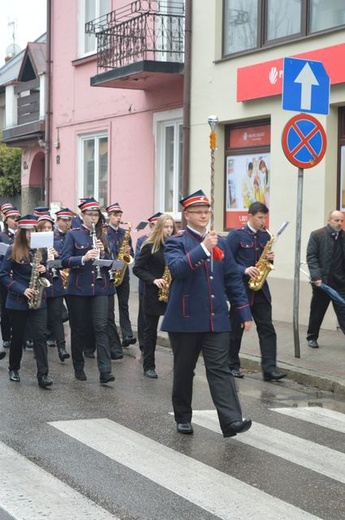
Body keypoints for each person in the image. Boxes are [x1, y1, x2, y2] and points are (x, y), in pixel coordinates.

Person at [161, 189, 253, 438]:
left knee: (220, 368)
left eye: (206, 211)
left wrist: (244, 313)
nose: (203, 216)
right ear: (187, 215)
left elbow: (233, 278)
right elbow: (178, 269)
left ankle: (231, 421)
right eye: (197, 212)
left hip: (216, 318)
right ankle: (183, 416)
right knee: (184, 370)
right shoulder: (176, 241)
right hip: (185, 318)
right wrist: (202, 248)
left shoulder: (220, 242)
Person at [226, 201, 287, 382]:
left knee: (267, 328)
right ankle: (232, 365)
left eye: (265, 218)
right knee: (235, 328)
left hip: (260, 289)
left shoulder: (265, 237)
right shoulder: (236, 236)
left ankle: (269, 369)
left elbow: (266, 263)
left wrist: (270, 260)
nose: (263, 221)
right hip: (241, 289)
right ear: (250, 216)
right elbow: (226, 262)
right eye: (260, 217)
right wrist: (243, 269)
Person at [61, 198, 115, 384]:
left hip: (100, 288)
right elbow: (64, 260)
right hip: (78, 289)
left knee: (101, 327)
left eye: (96, 215)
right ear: (82, 216)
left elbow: (110, 263)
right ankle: (78, 366)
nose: (94, 218)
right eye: (90, 215)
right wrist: (83, 258)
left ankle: (105, 371)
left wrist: (104, 253)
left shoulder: (103, 236)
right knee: (79, 329)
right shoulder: (73, 235)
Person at [0, 215, 52, 388]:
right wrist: (22, 289)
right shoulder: (12, 249)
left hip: (38, 300)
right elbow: (4, 275)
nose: (31, 234)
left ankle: (43, 375)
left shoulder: (41, 250)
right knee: (18, 337)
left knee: (40, 337)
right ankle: (14, 368)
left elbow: (47, 276)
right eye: (27, 231)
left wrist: (45, 270)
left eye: (33, 230)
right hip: (18, 300)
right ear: (22, 232)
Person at [133, 214, 177, 378]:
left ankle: (179, 364)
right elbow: (137, 269)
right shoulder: (150, 245)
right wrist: (154, 280)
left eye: (171, 227)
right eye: (166, 227)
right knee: (150, 331)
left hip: (172, 292)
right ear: (159, 227)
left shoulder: (175, 245)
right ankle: (149, 366)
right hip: (153, 293)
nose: (169, 230)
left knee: (175, 330)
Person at [306, 210, 345, 348]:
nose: (339, 223)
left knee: (343, 310)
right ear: (329, 220)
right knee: (317, 311)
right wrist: (316, 277)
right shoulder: (317, 235)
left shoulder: (343, 236)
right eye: (336, 220)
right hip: (322, 282)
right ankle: (312, 337)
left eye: (341, 220)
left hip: (340, 283)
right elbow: (312, 257)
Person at [36, 214, 70, 362]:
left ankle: (61, 348)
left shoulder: (57, 242)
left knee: (57, 317)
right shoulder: (34, 244)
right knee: (42, 320)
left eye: (49, 228)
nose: (47, 230)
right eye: (44, 228)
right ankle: (40, 349)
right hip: (40, 285)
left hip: (55, 284)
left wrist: (56, 258)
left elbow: (64, 262)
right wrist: (44, 263)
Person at [106, 202, 136, 347]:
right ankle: (112, 339)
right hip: (110, 274)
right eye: (116, 215)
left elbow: (132, 256)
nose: (118, 218)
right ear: (109, 216)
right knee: (109, 309)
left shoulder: (125, 233)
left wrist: (129, 252)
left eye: (120, 215)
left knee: (124, 305)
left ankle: (127, 334)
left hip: (123, 273)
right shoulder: (104, 233)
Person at [135, 212, 163, 354]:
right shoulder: (143, 240)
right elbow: (139, 264)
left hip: (163, 285)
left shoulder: (168, 241)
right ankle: (143, 344)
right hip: (146, 284)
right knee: (144, 317)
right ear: (151, 225)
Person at [0, 207, 21, 357]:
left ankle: (19, 334)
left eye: (16, 218)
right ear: (6, 220)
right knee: (5, 307)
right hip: (5, 272)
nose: (15, 221)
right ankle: (6, 336)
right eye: (12, 218)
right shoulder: (2, 235)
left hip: (18, 275)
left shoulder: (21, 236)